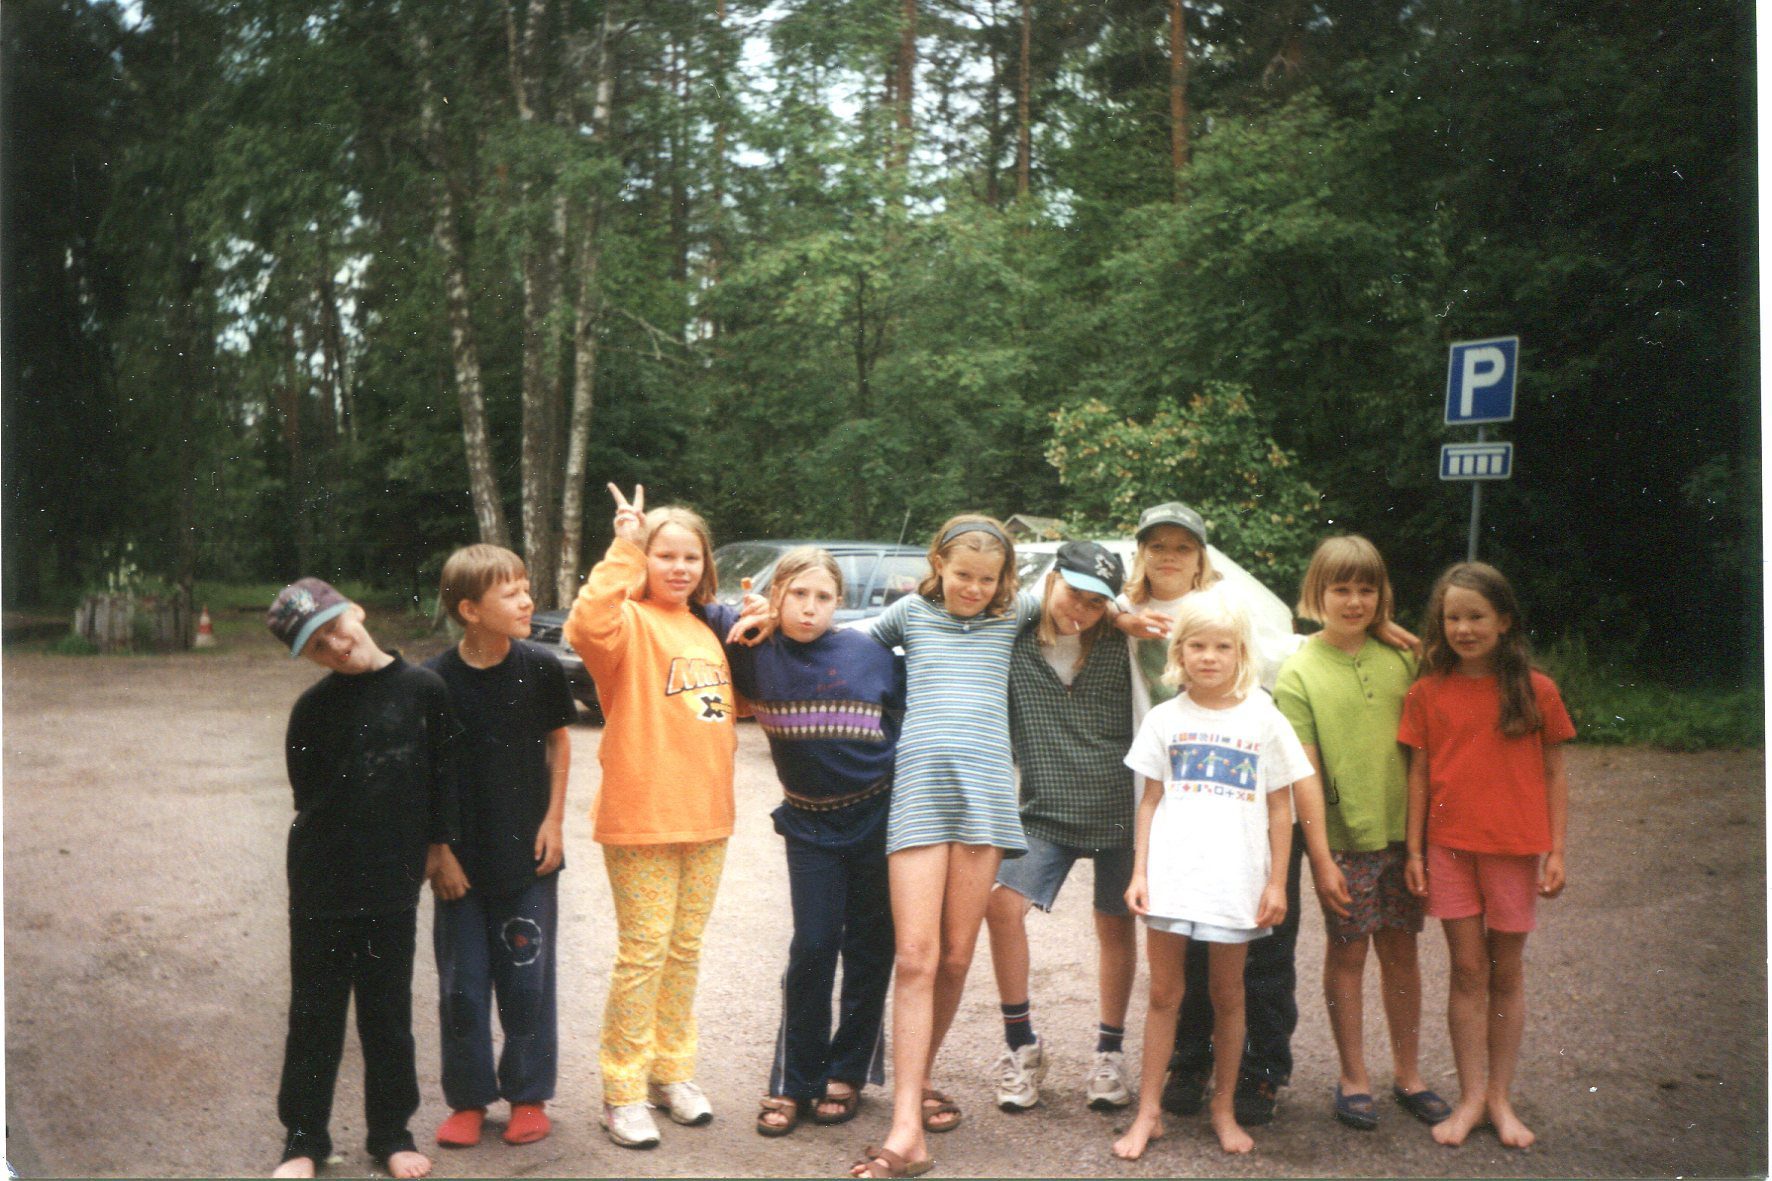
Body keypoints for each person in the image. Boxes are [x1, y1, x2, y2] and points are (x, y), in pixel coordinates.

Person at [1122, 502, 1409, 1125]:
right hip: (1181, 821)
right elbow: (1056, 610)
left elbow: (1297, 645)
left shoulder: (1234, 609)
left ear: (1201, 557)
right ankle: (1189, 1062)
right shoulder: (1122, 611)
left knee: (1264, 955)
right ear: (1139, 554)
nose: (1169, 557)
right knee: (1186, 960)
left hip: (1247, 814)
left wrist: (1376, 627)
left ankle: (1262, 1070)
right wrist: (1116, 615)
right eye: (1157, 546)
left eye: (1182, 547)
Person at [563, 483, 764, 1150]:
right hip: (642, 816)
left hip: (707, 817)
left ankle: (670, 1072)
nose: (678, 567)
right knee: (644, 952)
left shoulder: (705, 630)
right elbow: (585, 625)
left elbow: (732, 708)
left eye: (690, 557)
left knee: (683, 952)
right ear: (645, 561)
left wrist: (761, 630)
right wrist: (623, 545)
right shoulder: (627, 623)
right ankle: (621, 1090)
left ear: (704, 566)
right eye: (664, 554)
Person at [1112, 586, 1337, 1159]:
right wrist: (1139, 874)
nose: (1209, 657)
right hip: (1171, 879)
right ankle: (1148, 1113)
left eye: (1222, 647)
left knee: (1228, 995)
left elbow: (1282, 807)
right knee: (1164, 994)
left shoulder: (1264, 719)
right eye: (1197, 646)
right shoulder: (1164, 719)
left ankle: (1223, 1108)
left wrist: (1276, 882)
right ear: (1179, 653)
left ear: (1242, 653)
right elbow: (1149, 801)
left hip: (1235, 884)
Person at [266, 578, 456, 1181]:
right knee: (315, 1014)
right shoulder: (312, 709)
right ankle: (303, 1140)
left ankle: (391, 1133)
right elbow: (307, 794)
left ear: (357, 611)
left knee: (387, 1013)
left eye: (335, 628)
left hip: (391, 883)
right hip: (321, 883)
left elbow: (442, 779)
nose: (336, 647)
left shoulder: (425, 690)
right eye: (317, 647)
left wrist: (436, 850)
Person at [725, 548, 904, 1139]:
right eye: (797, 594)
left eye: (822, 597)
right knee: (814, 945)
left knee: (871, 945)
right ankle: (792, 1079)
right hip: (808, 824)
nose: (809, 608)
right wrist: (750, 614)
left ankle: (848, 1071)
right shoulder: (752, 648)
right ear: (776, 595)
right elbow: (700, 608)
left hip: (878, 815)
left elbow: (905, 719)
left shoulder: (871, 653)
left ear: (839, 603)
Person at [1272, 536, 1447, 1132]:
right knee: (1347, 953)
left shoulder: (1401, 659)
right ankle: (1353, 1077)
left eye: (1366, 590)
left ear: (1382, 595)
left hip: (1407, 835)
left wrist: (1409, 640)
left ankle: (1409, 1074)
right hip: (1345, 840)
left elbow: (1443, 689)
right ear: (1316, 594)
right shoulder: (1299, 671)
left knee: (1402, 952)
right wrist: (1320, 858)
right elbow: (1304, 773)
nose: (1353, 601)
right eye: (1340, 589)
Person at [1401, 561, 1573, 1149]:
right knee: (1467, 971)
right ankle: (1471, 1097)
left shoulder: (1537, 690)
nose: (1464, 628)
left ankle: (1500, 1097)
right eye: (1453, 617)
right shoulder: (1426, 692)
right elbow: (1419, 773)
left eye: (1476, 616)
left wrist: (1556, 849)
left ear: (1503, 620)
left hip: (1514, 850)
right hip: (1448, 848)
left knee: (1507, 971)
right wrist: (1415, 849)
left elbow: (1554, 772)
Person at [424, 546, 578, 1150]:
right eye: (510, 593)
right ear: (470, 610)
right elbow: (424, 774)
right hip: (459, 866)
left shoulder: (540, 667)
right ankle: (468, 1100)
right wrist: (438, 852)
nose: (527, 601)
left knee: (526, 982)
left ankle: (528, 1095)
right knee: (462, 988)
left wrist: (554, 821)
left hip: (528, 860)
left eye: (525, 588)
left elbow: (559, 743)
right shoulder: (433, 681)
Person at [983, 541, 1138, 1114]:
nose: (1082, 610)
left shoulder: (1123, 642)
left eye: (1098, 603)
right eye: (1074, 593)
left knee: (1115, 922)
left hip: (1120, 810)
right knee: (1002, 907)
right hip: (1046, 809)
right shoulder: (1014, 638)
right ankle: (1021, 1045)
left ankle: (1109, 1052)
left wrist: (1125, 618)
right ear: (1051, 581)